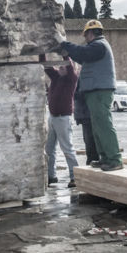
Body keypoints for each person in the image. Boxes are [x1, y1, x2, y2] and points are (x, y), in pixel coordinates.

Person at [59, 20, 123, 172]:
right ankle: (105, 158)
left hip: (100, 91)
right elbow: (82, 57)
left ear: (91, 33)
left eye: (86, 34)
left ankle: (114, 159)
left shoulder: (99, 45)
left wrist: (65, 44)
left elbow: (83, 53)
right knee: (97, 127)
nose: (85, 37)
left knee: (104, 125)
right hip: (95, 91)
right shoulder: (96, 48)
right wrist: (69, 53)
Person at [44, 59, 80, 188]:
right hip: (52, 118)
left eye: (63, 67)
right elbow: (46, 66)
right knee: (49, 149)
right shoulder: (55, 78)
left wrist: (66, 55)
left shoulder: (71, 79)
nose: (60, 68)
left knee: (67, 149)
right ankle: (51, 176)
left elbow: (70, 66)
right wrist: (42, 51)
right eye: (60, 66)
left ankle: (75, 177)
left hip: (63, 118)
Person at [73, 78, 98, 166]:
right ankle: (91, 159)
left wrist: (72, 93)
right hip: (84, 115)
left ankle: (92, 160)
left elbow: (82, 95)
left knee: (90, 140)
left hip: (87, 114)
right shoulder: (82, 78)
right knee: (87, 140)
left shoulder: (85, 79)